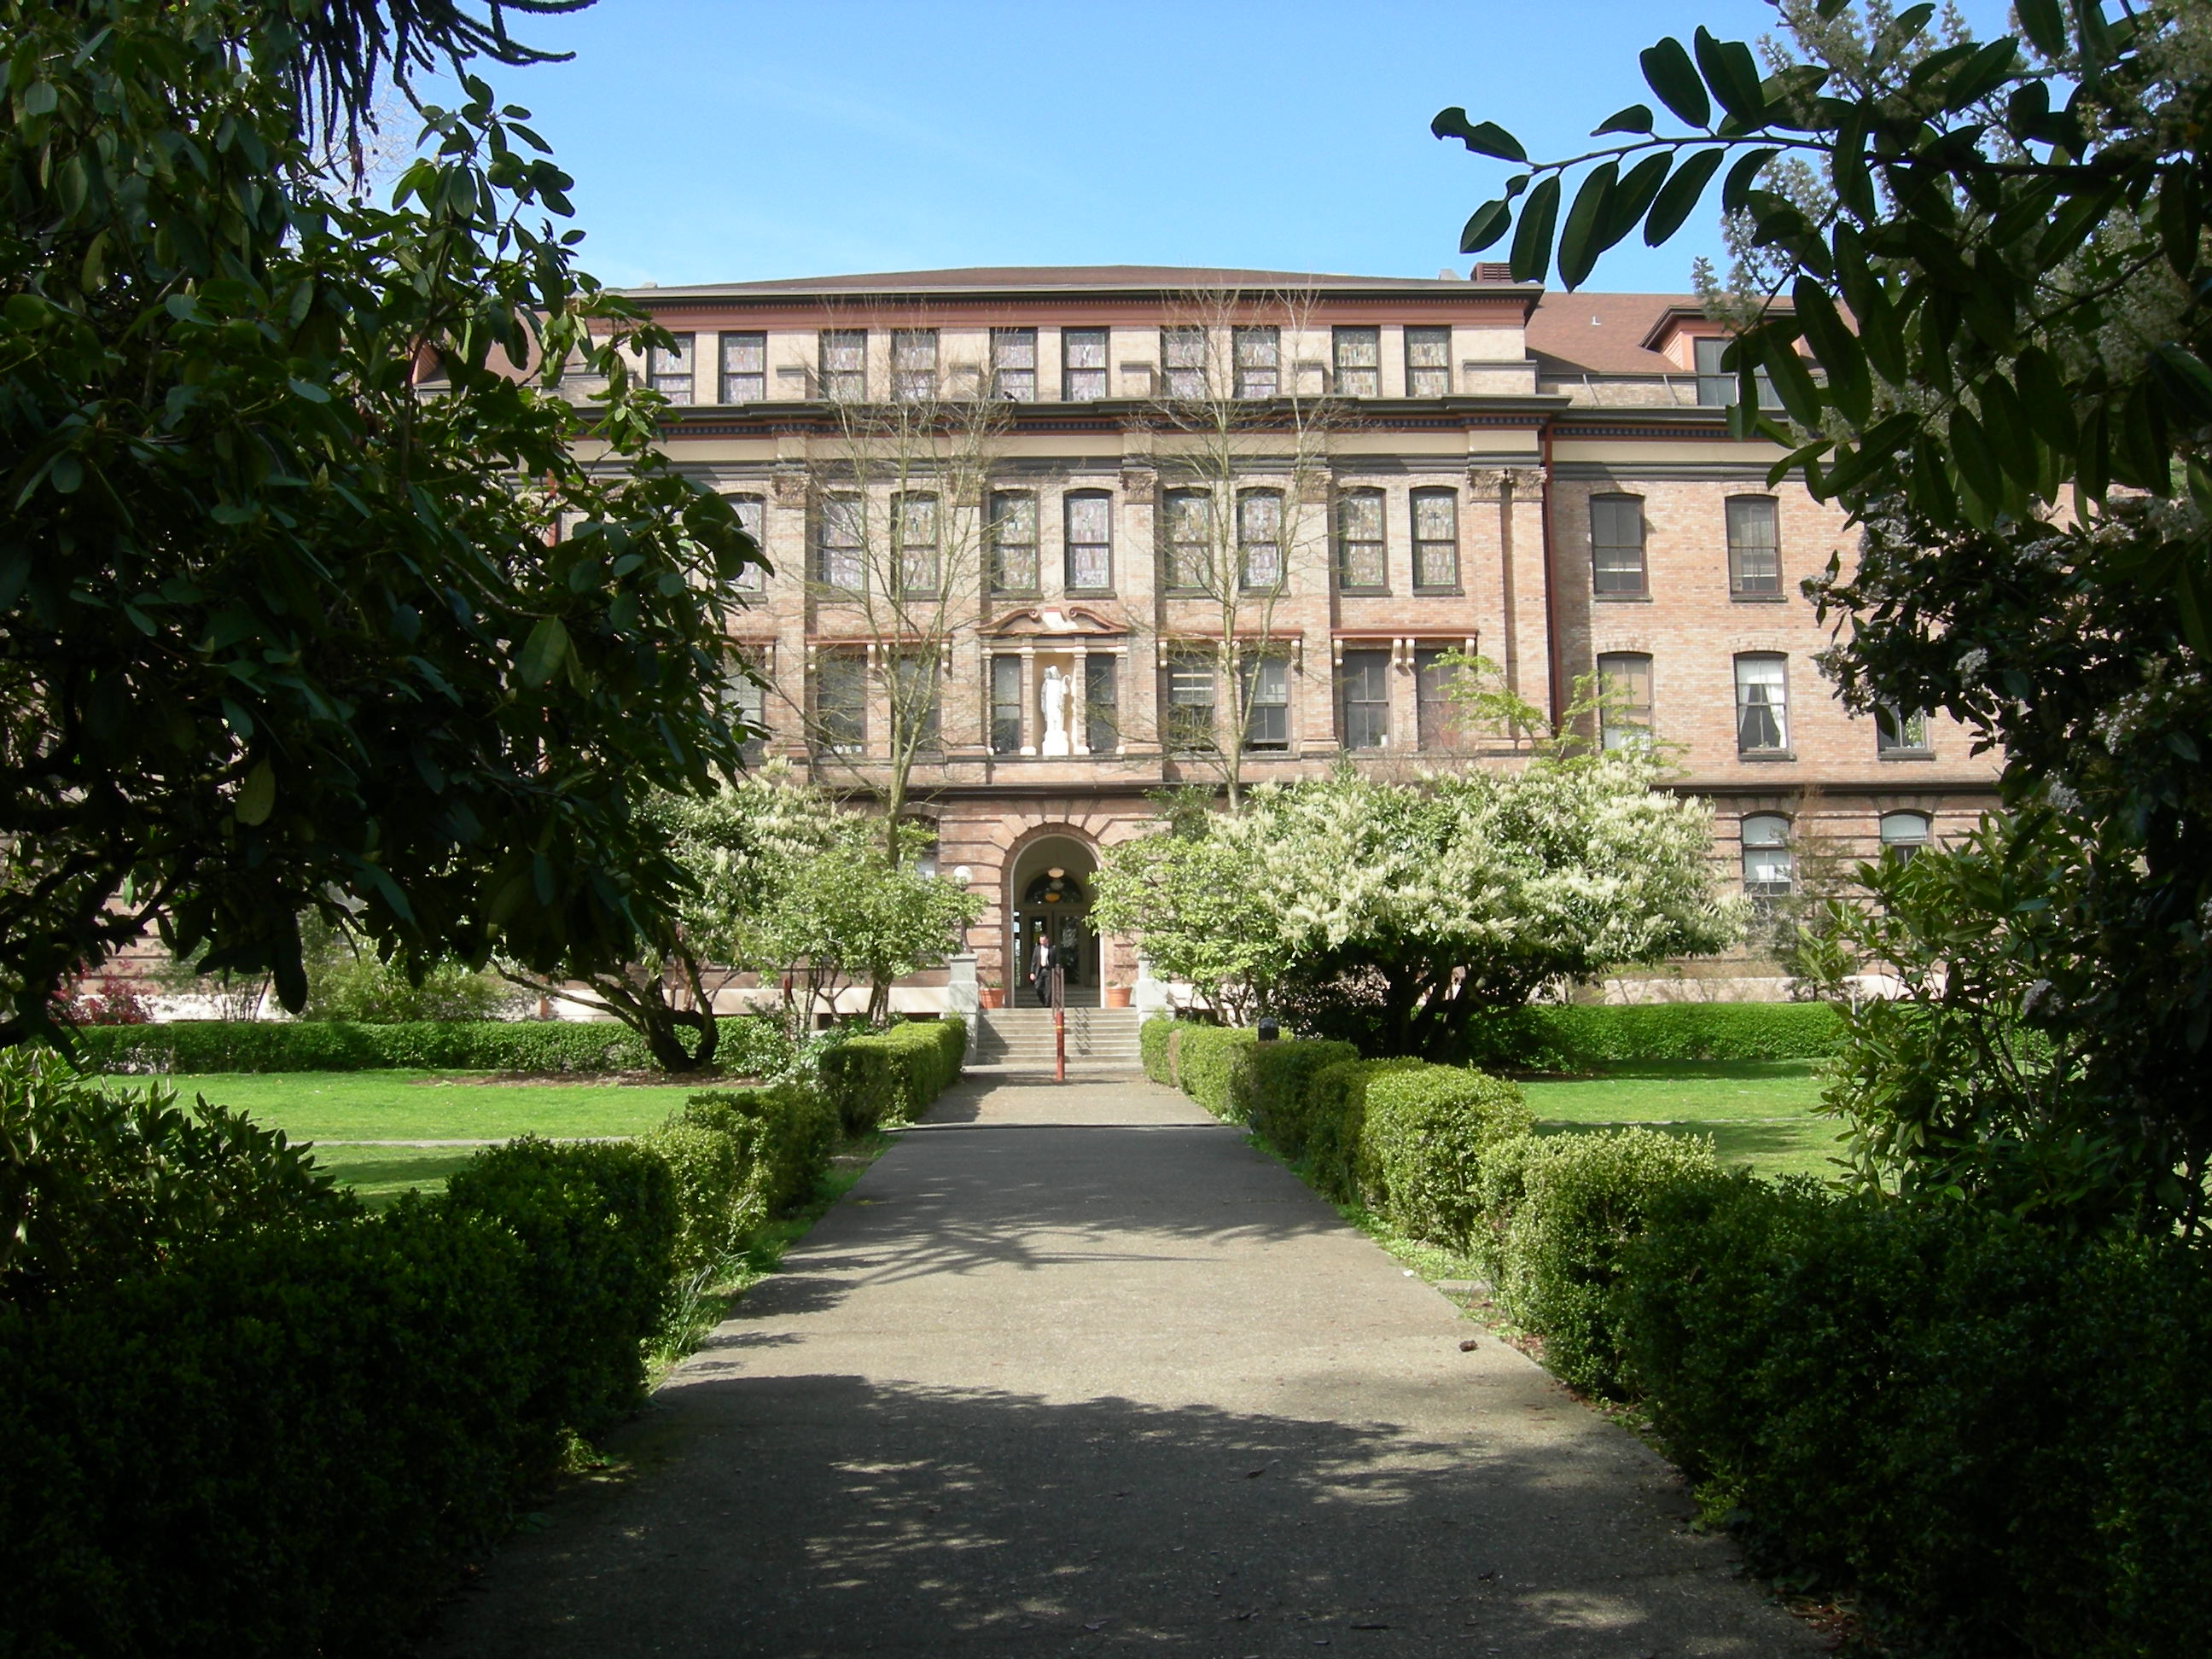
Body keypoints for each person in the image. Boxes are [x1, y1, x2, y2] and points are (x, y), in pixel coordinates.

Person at [1030, 931, 1055, 1006]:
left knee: (1049, 989)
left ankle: (1047, 1005)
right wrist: (1032, 972)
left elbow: (1056, 960)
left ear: (1047, 940)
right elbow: (1034, 961)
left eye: (1043, 941)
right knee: (1038, 988)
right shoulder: (1037, 949)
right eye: (1040, 941)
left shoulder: (1052, 949)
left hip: (1048, 970)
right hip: (1040, 970)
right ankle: (1044, 1002)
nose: (1042, 942)